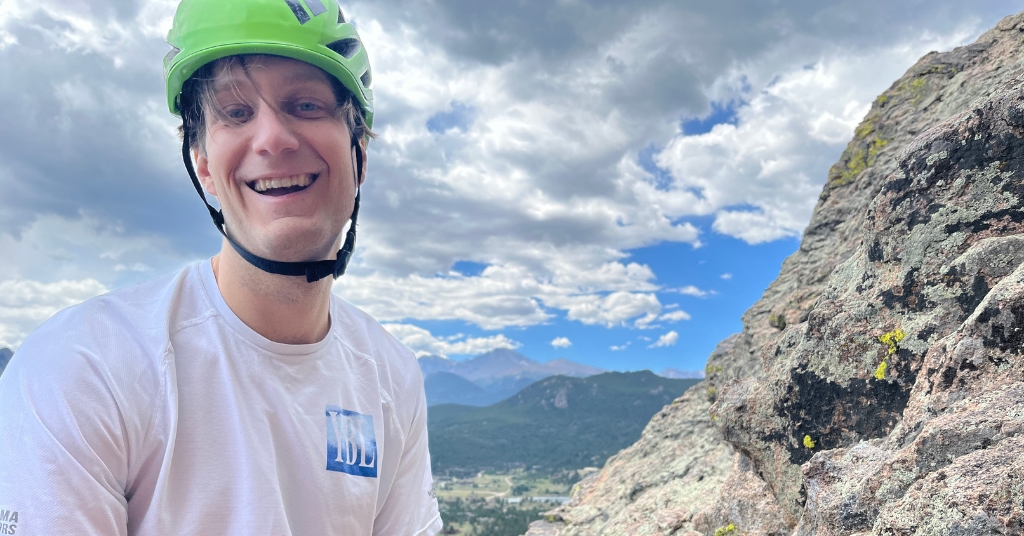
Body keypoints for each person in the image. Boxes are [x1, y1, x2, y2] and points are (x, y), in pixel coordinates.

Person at [0, 0, 442, 533]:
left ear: (360, 154)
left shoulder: (391, 375)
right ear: (204, 165)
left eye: (305, 104)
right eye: (235, 113)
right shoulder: (86, 366)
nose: (273, 138)